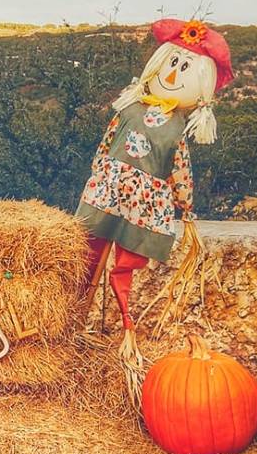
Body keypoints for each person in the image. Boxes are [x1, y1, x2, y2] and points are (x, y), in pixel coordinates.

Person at [76, 17, 234, 332]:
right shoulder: (129, 109)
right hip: (108, 191)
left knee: (125, 264)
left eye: (185, 69)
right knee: (87, 253)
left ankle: (124, 322)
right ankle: (74, 313)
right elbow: (108, 143)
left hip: (141, 202)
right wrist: (99, 170)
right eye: (171, 64)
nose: (174, 73)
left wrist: (185, 206)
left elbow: (179, 168)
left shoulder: (178, 127)